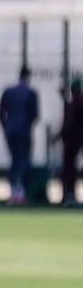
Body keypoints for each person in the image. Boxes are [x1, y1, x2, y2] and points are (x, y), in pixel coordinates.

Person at [0, 66, 39, 205]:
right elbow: (35, 114)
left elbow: (1, 113)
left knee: (14, 160)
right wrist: (26, 125)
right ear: (28, 76)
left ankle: (12, 191)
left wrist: (6, 127)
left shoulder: (9, 91)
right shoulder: (31, 93)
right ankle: (20, 192)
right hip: (24, 132)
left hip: (11, 132)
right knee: (23, 161)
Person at [53, 76, 83, 207]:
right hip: (78, 140)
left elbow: (69, 122)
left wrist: (58, 136)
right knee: (71, 168)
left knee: (68, 169)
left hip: (72, 141)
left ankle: (69, 195)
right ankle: (70, 194)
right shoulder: (79, 101)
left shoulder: (75, 102)